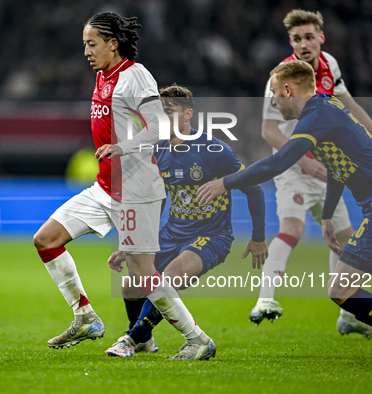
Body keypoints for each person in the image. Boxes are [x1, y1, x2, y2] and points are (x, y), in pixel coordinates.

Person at [197, 59, 372, 370]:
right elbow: (339, 167)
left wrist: (224, 182)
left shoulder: (316, 115)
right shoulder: (328, 108)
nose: (272, 101)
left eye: (274, 93)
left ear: (288, 89)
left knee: (341, 290)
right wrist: (327, 216)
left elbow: (277, 163)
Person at [34, 12, 215, 360]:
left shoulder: (135, 76)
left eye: (92, 44)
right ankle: (85, 316)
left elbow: (158, 127)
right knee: (46, 239)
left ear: (113, 44)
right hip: (105, 188)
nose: (86, 51)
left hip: (137, 189)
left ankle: (197, 339)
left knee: (141, 275)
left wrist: (123, 146)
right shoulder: (103, 76)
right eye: (84, 44)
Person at [252, 9, 372, 338]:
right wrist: (304, 161)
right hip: (294, 164)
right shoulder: (280, 79)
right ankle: (264, 300)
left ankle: (349, 315)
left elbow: (351, 107)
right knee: (292, 228)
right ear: (290, 42)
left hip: (332, 164)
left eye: (309, 37)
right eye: (296, 39)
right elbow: (269, 130)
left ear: (321, 37)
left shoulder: (329, 66)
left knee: (343, 237)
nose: (304, 44)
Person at [104, 84, 268, 358]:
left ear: (188, 114)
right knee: (131, 283)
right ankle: (144, 339)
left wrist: (259, 236)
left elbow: (253, 187)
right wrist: (136, 242)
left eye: (170, 111)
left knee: (169, 278)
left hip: (212, 235)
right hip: (172, 232)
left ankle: (130, 340)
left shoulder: (213, 150)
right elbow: (158, 199)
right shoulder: (158, 153)